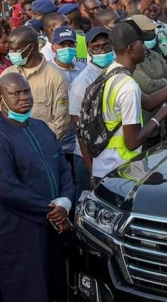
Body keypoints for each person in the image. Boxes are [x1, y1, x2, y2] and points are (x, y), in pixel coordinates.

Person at [0, 73, 74, 302]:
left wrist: (66, 201)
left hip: (51, 225)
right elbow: (7, 189)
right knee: (23, 288)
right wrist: (52, 211)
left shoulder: (40, 128)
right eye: (15, 93)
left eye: (26, 91)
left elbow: (63, 167)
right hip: (15, 231)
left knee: (53, 283)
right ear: (1, 99)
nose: (23, 98)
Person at [83, 20, 167, 183]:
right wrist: (164, 112)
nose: (145, 48)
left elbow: (149, 102)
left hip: (105, 167)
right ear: (131, 48)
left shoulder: (111, 73)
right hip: (119, 170)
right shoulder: (128, 86)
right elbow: (132, 142)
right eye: (142, 43)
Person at [0, 26, 71, 141]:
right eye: (10, 49)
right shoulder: (7, 74)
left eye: (15, 50)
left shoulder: (56, 77)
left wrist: (33, 142)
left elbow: (61, 123)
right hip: (8, 143)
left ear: (31, 47)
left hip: (41, 145)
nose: (11, 53)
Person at [68, 26, 114, 202]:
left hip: (110, 155)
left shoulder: (116, 72)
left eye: (106, 46)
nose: (102, 50)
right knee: (86, 204)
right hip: (88, 158)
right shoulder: (83, 83)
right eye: (97, 47)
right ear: (89, 50)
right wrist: (92, 170)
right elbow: (80, 129)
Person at [49, 26, 85, 166]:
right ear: (53, 48)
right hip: (58, 142)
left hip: (78, 143)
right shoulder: (48, 72)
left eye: (70, 45)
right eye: (62, 45)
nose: (67, 48)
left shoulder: (83, 70)